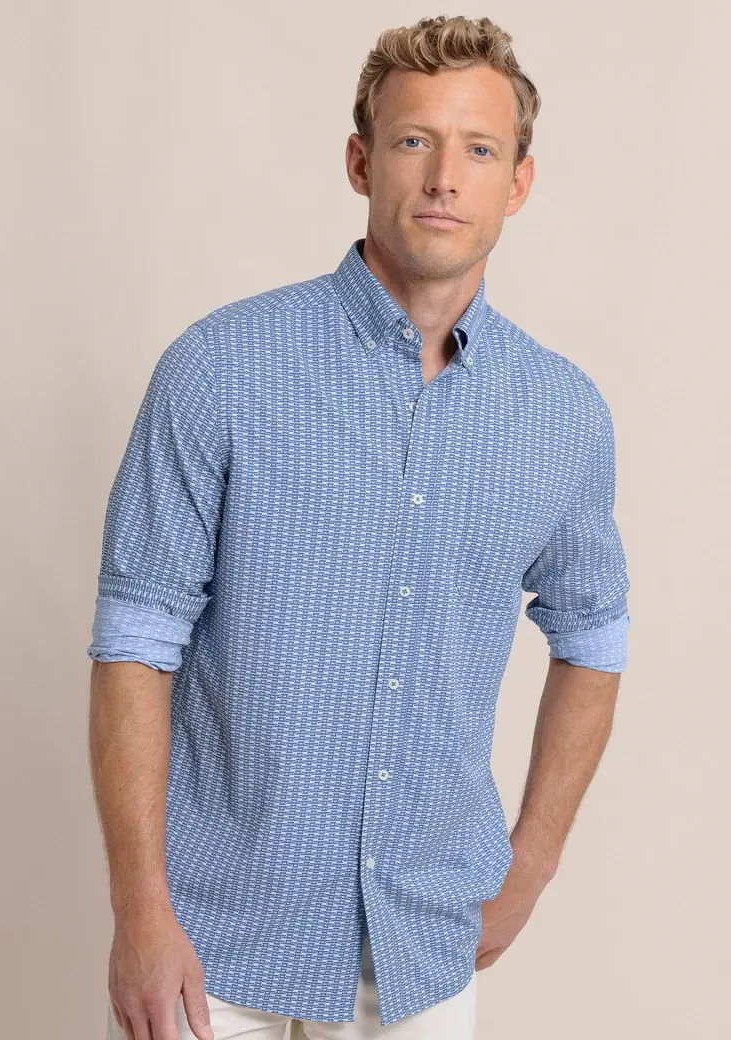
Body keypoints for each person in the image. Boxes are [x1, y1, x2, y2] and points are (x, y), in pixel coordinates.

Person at [88, 14, 631, 1040]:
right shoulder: (221, 369)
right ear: (360, 161)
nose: (444, 178)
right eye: (413, 139)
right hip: (210, 935)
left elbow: (594, 638)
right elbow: (135, 643)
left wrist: (531, 865)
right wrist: (140, 910)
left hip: (420, 945)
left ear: (518, 182)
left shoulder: (562, 414)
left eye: (480, 149)